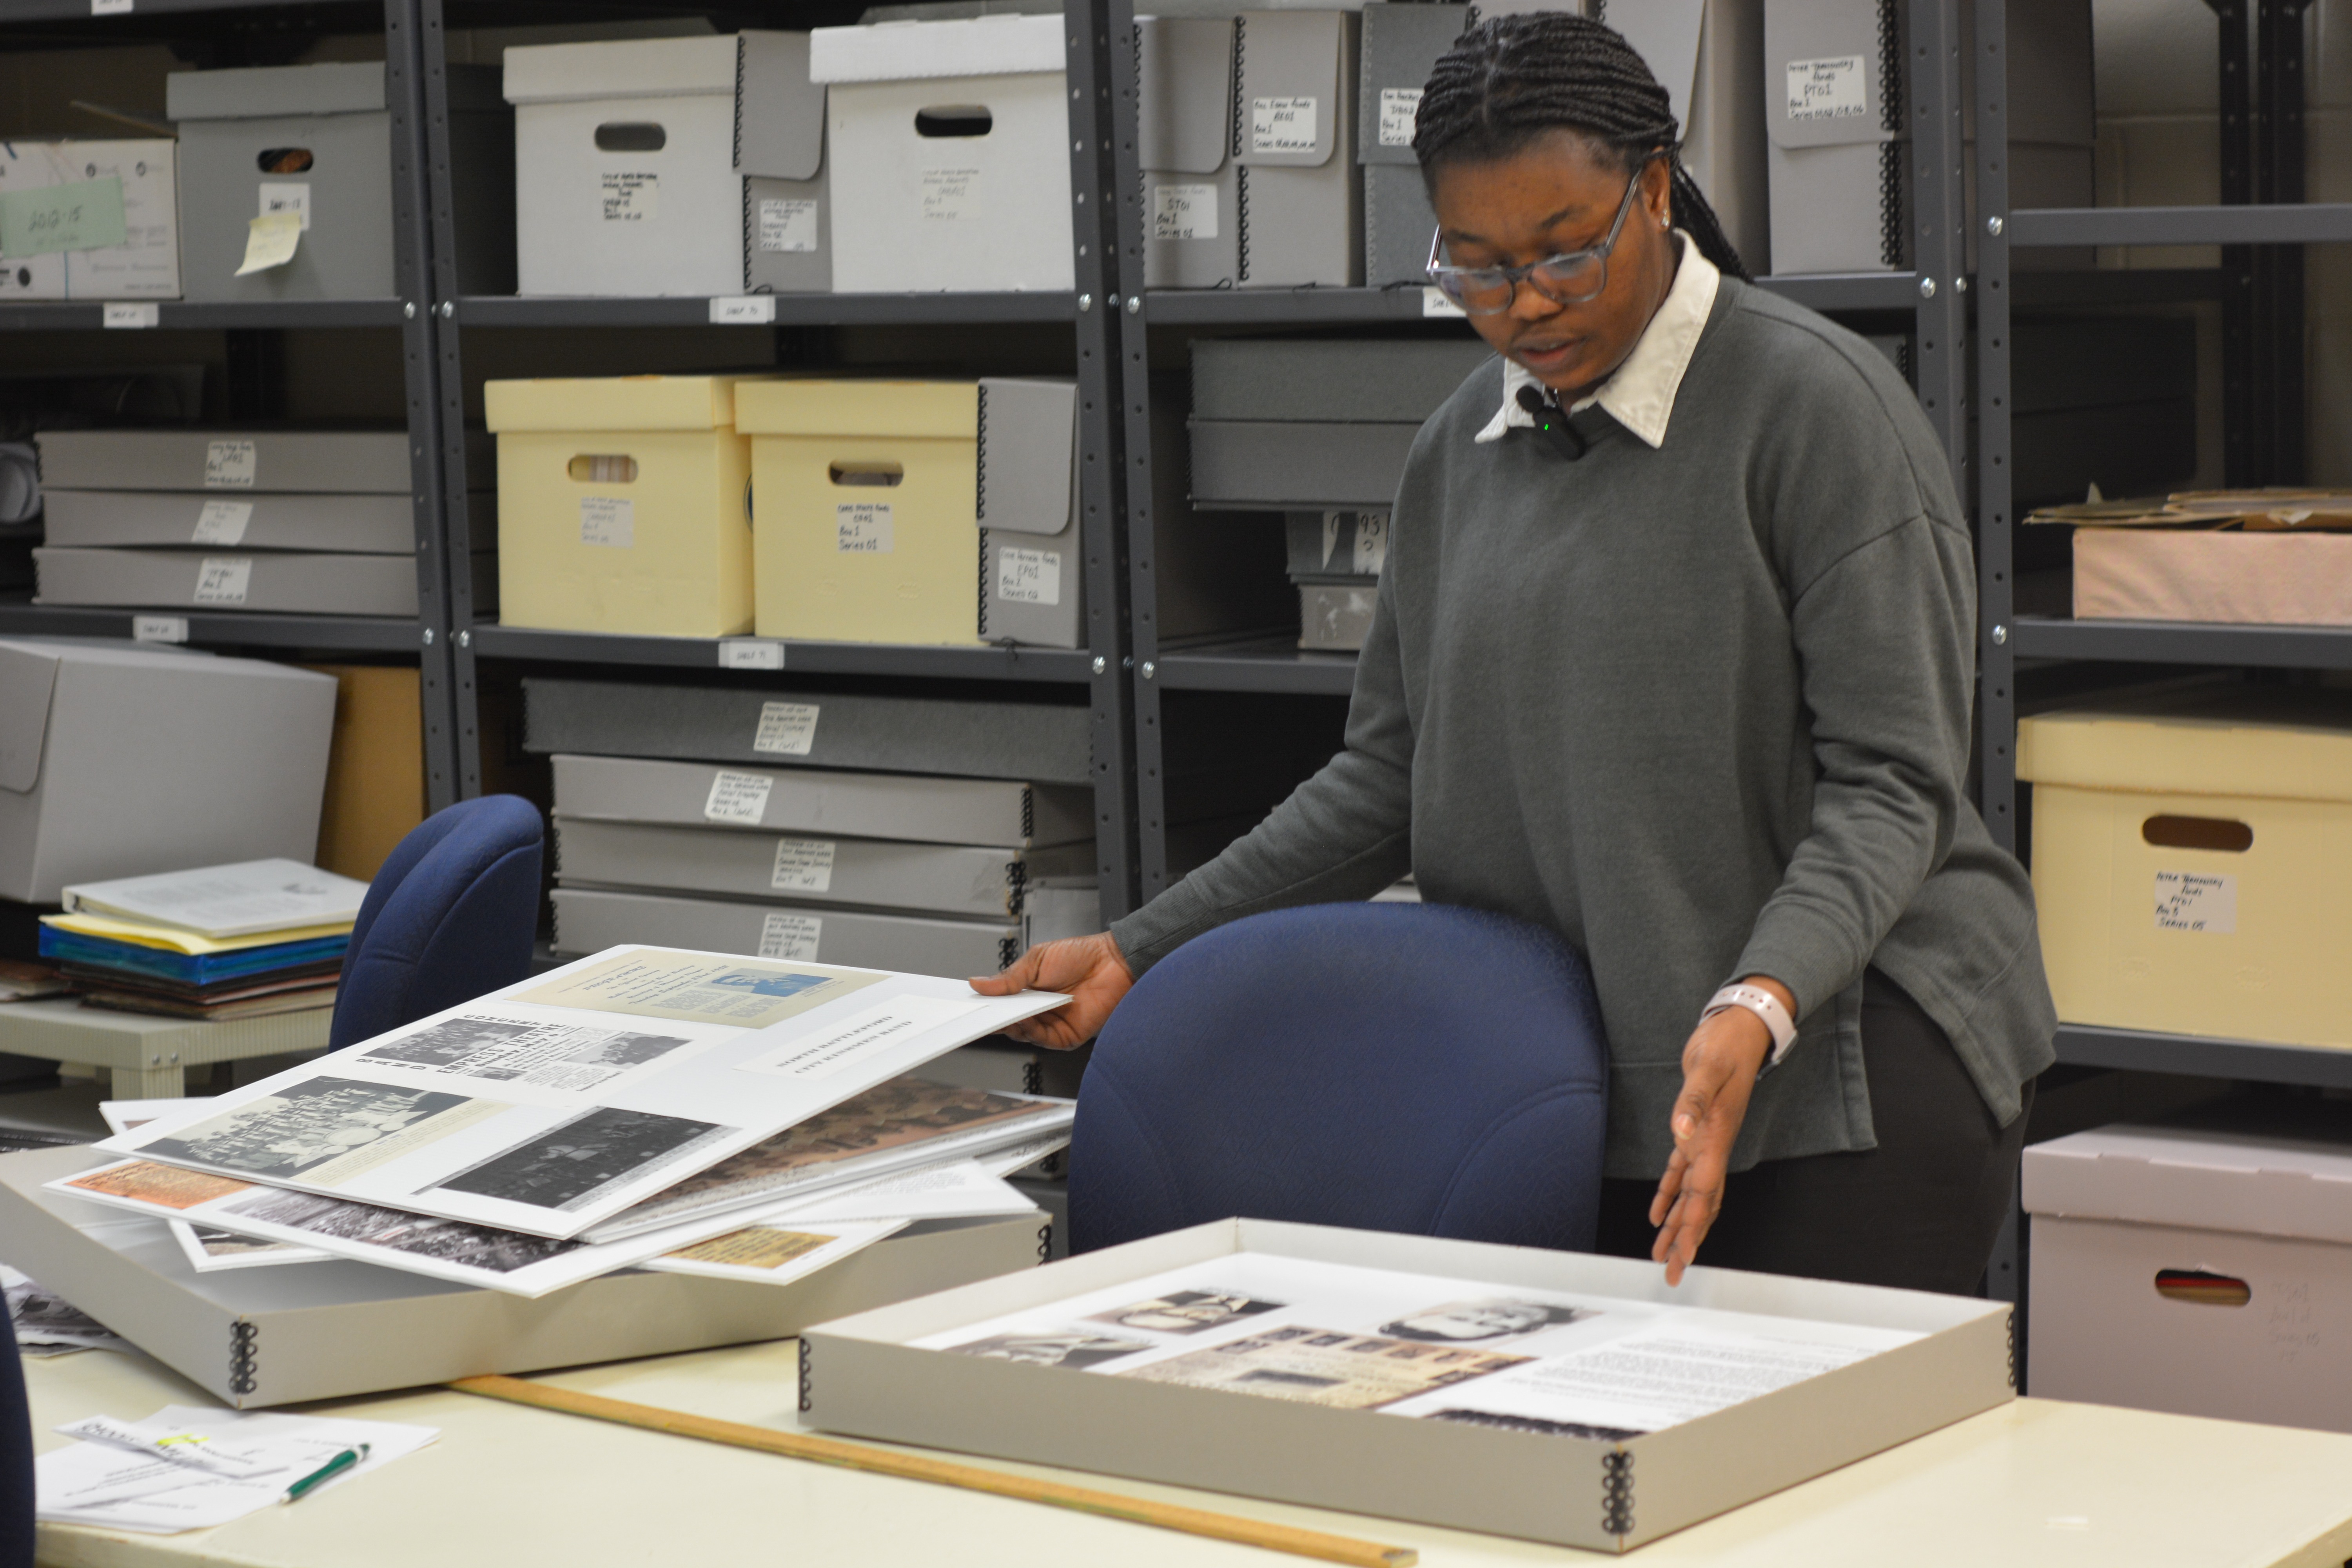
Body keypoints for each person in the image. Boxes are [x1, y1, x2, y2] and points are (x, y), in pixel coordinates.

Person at [976, 13, 2055, 1294]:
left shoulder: (1817, 409)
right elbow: (1385, 781)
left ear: (1655, 191)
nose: (1525, 305)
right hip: (1592, 1073)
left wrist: (1761, 998)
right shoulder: (1459, 451)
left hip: (1850, 1066)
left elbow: (1895, 783)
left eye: (1564, 254)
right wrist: (1142, 947)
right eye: (1478, 267)